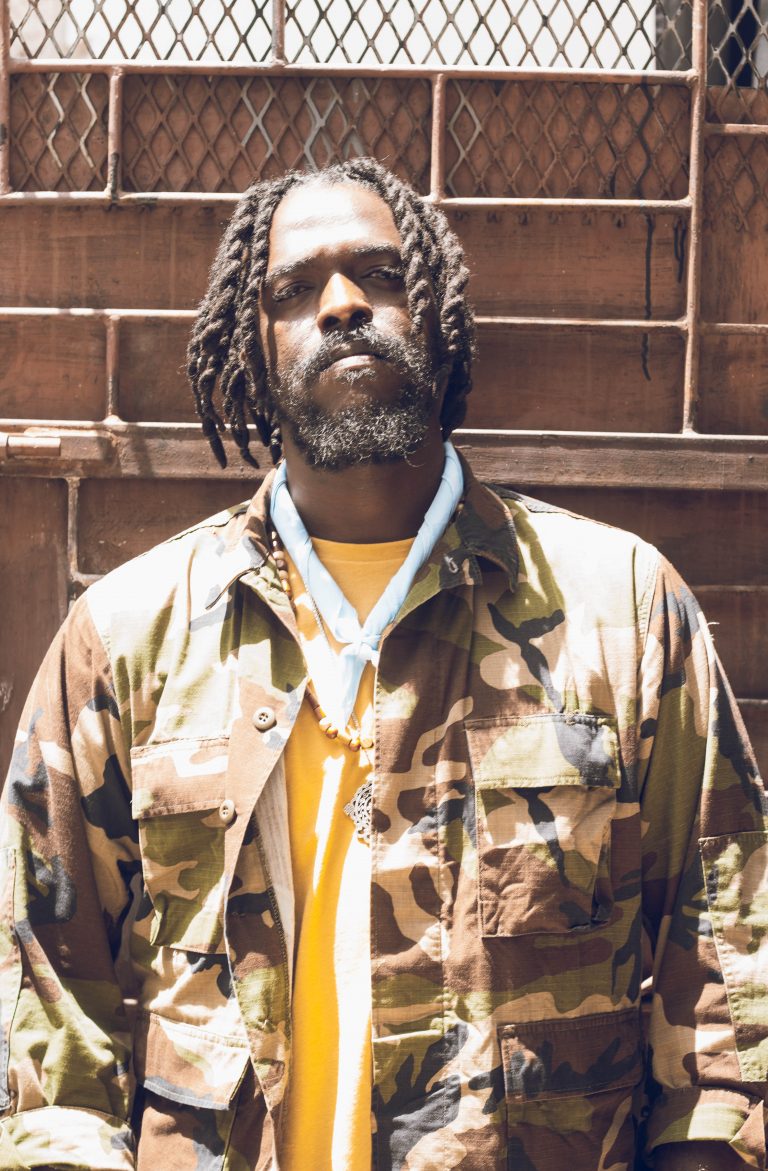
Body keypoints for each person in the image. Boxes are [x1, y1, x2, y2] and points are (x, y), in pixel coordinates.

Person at [0, 158, 765, 1171]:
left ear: (440, 311)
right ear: (251, 341)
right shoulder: (129, 638)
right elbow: (49, 1027)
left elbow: (728, 1000)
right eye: (294, 289)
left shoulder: (622, 612)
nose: (343, 304)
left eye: (381, 274)